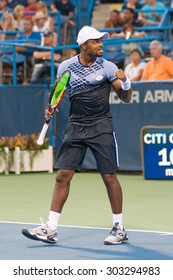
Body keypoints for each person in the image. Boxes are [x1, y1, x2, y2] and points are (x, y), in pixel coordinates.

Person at [21, 25, 132, 245]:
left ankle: (119, 228)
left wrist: (126, 81)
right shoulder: (66, 66)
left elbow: (125, 97)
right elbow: (58, 91)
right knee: (63, 175)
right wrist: (51, 106)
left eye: (101, 41)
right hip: (76, 126)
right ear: (84, 45)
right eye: (96, 41)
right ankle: (51, 229)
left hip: (101, 126)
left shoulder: (108, 67)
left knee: (109, 176)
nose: (101, 44)